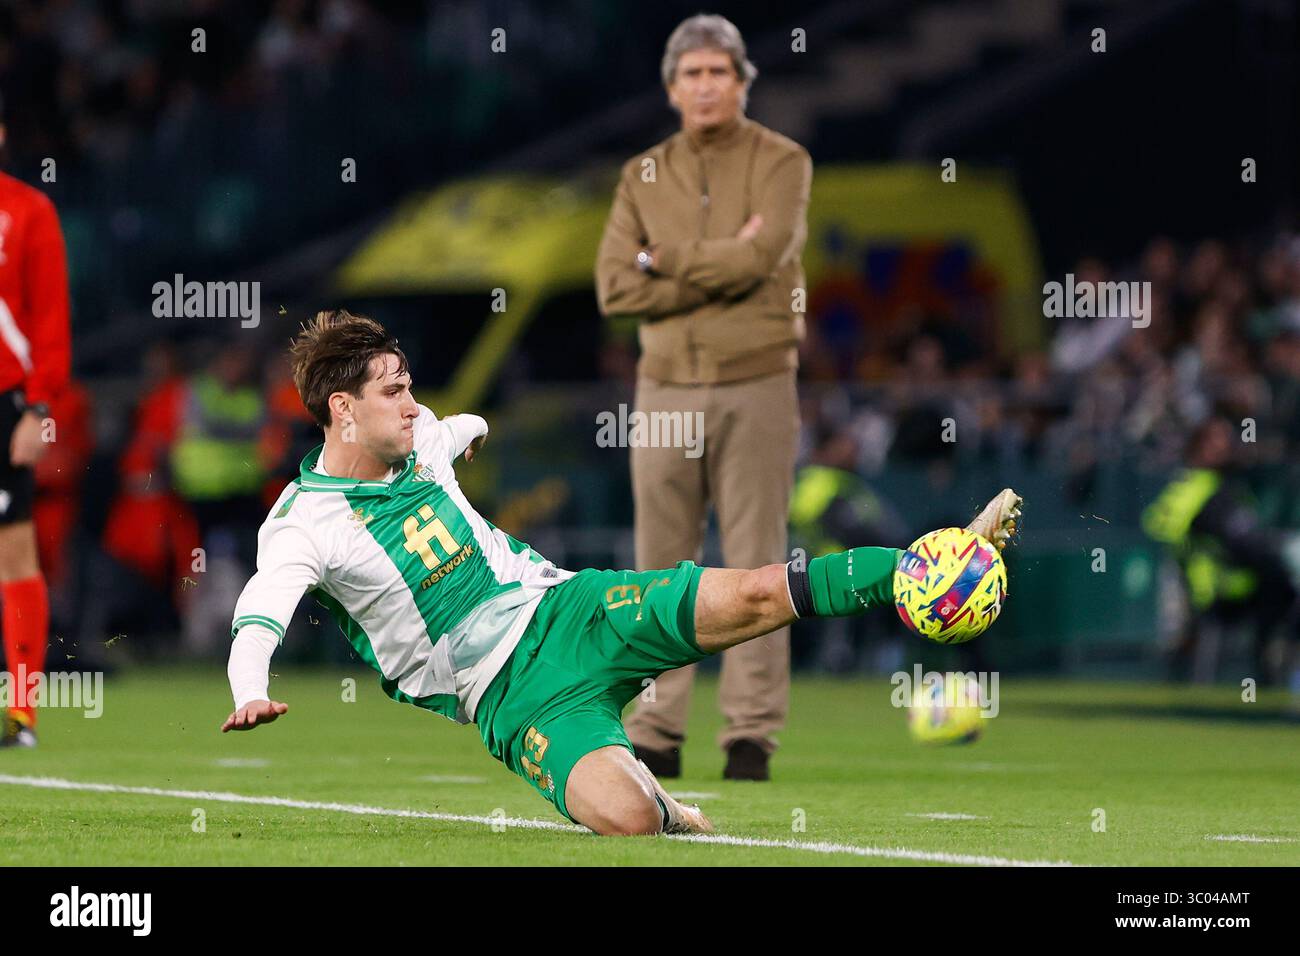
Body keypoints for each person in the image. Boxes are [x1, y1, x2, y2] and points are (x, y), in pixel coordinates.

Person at [222, 311, 1023, 835]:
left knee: (756, 591)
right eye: (393, 392)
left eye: (409, 389)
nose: (411, 404)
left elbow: (452, 425)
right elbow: (260, 612)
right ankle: (661, 798)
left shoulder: (419, 431)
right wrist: (248, 689)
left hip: (572, 609)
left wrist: (472, 429)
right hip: (511, 696)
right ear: (342, 410)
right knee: (632, 822)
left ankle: (930, 562)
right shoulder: (304, 523)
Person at [595, 13, 811, 781]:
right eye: (693, 73)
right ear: (672, 88)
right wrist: (714, 261)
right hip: (663, 388)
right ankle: (655, 732)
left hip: (758, 379)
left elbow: (764, 256)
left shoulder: (783, 160)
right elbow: (615, 288)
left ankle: (750, 737)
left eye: (720, 71)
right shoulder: (642, 174)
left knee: (758, 563)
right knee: (658, 570)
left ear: (743, 82)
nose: (707, 85)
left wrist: (662, 259)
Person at [0, 95, 72, 748]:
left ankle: (22, 711)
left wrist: (38, 409)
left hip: (5, 403)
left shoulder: (27, 210)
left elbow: (49, 320)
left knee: (14, 552)